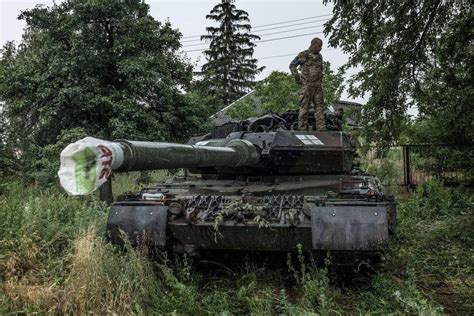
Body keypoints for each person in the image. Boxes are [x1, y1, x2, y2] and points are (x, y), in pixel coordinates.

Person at [289, 37, 325, 131]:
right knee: (304, 109)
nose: (320, 48)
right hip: (307, 86)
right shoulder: (303, 54)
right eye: (319, 46)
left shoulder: (320, 56)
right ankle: (302, 130)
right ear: (313, 44)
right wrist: (297, 78)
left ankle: (322, 131)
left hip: (317, 87)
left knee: (320, 109)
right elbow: (292, 65)